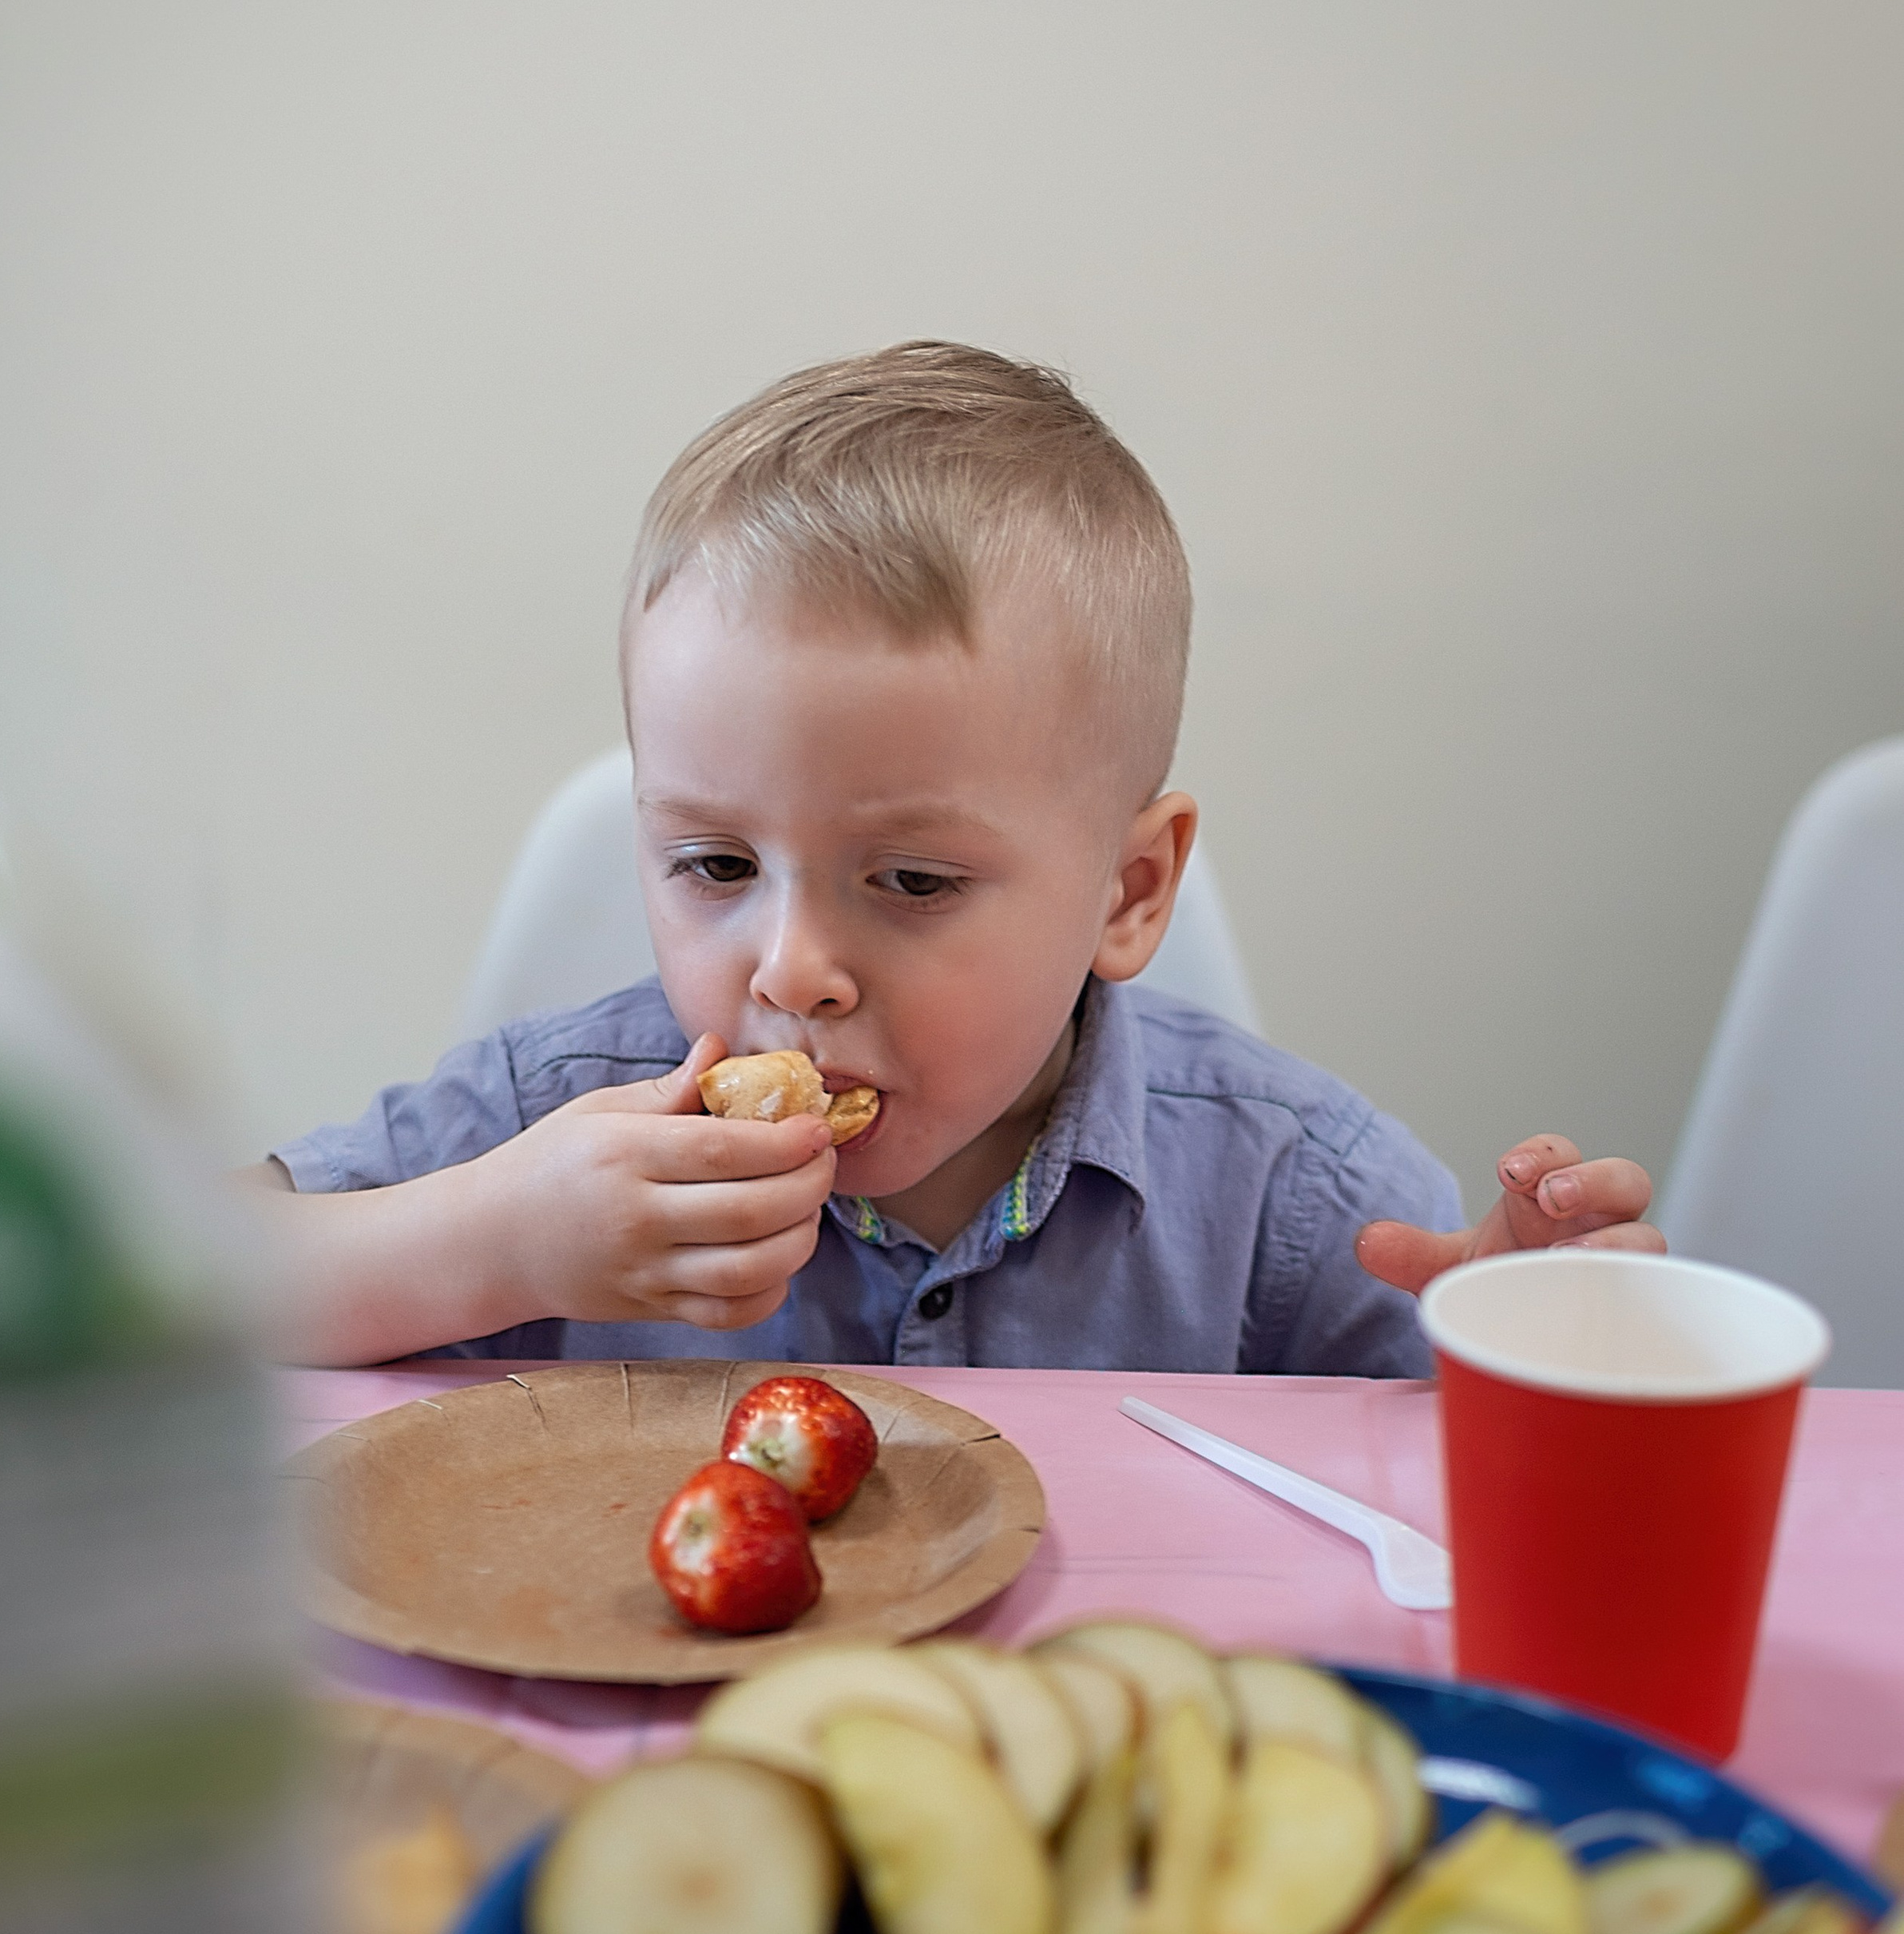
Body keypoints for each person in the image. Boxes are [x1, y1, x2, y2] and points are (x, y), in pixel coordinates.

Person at [248, 344, 1658, 1376]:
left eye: (911, 882)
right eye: (715, 865)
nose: (792, 970)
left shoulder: (1285, 1196)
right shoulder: (553, 1128)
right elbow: (167, 1307)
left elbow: (1456, 1516)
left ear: (1128, 891)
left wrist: (1533, 1341)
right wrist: (492, 1246)